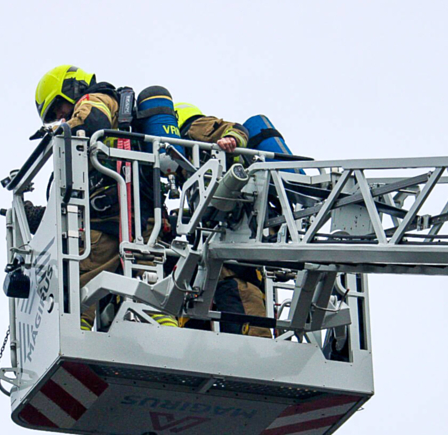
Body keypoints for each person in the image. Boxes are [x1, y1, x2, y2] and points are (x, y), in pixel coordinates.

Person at [34, 65, 178, 329]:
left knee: (80, 282)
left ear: (70, 89)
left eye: (58, 108)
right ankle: (168, 335)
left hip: (109, 215)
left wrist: (58, 134)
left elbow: (92, 122)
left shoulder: (93, 100)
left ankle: (79, 335)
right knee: (147, 285)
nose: (61, 116)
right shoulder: (114, 105)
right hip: (139, 212)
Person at [174, 103, 273, 338]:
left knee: (250, 328)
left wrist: (231, 139)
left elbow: (237, 129)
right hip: (218, 268)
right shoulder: (185, 153)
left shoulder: (195, 128)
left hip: (236, 266)